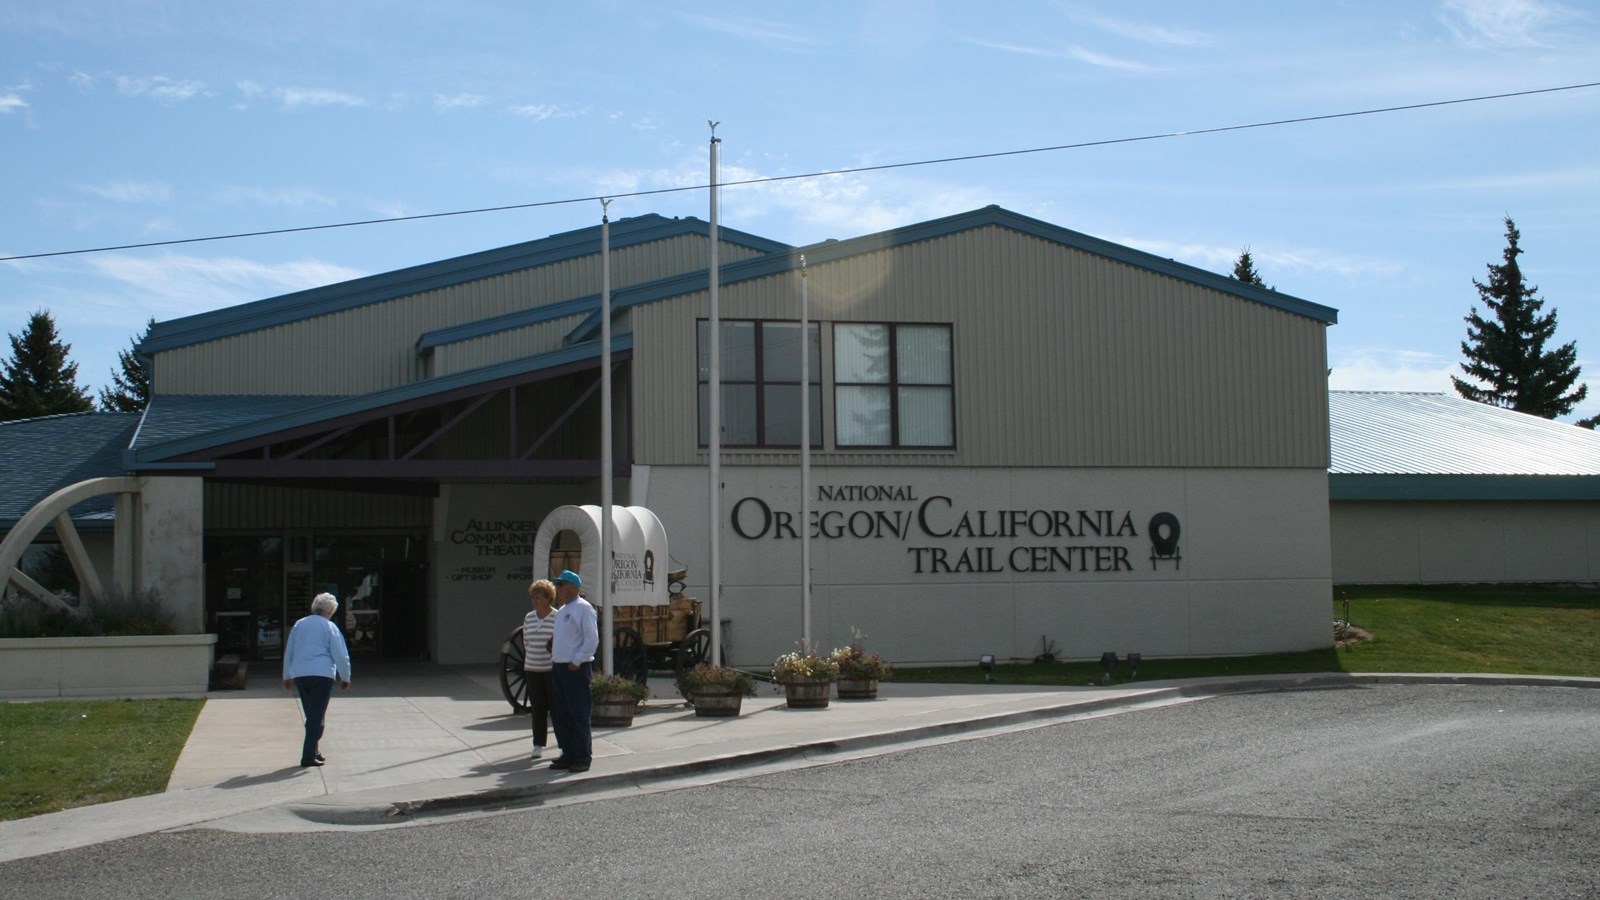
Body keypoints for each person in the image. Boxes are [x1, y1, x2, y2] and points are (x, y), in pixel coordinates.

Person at [282, 592, 352, 768]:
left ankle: (314, 750)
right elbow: (340, 655)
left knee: (312, 715)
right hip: (322, 674)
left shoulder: (299, 624)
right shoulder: (329, 627)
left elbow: (289, 651)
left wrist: (287, 675)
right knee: (317, 716)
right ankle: (308, 755)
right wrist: (346, 677)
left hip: (301, 674)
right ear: (330, 610)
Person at [547, 569, 598, 773]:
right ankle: (567, 753)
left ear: (573, 587)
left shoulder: (583, 608)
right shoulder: (562, 611)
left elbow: (591, 639)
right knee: (562, 714)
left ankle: (582, 757)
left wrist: (577, 661)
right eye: (557, 585)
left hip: (574, 668)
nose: (558, 589)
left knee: (578, 713)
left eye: (561, 585)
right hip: (559, 667)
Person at [521, 578, 559, 759]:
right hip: (532, 668)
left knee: (556, 707)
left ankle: (562, 743)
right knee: (538, 708)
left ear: (547, 598)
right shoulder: (529, 617)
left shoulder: (557, 616)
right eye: (533, 598)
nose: (535, 601)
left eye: (538, 598)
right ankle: (538, 744)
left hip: (550, 669)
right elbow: (526, 642)